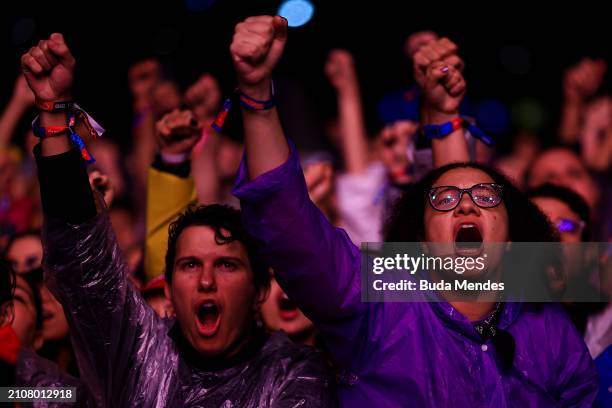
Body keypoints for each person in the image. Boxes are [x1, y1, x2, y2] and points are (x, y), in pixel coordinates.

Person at [230, 15, 598, 406]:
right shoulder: (379, 302)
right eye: (444, 201)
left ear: (510, 240)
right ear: (421, 244)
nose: (467, 204)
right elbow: (290, 229)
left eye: (487, 197)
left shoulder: (547, 325)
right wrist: (255, 97)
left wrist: (442, 117)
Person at [22, 32, 335, 407]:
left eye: (227, 265)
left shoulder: (294, 375)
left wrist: (255, 93)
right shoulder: (136, 357)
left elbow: (390, 279)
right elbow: (81, 261)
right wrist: (53, 114)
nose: (205, 281)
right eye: (189, 265)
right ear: (167, 289)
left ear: (259, 290)